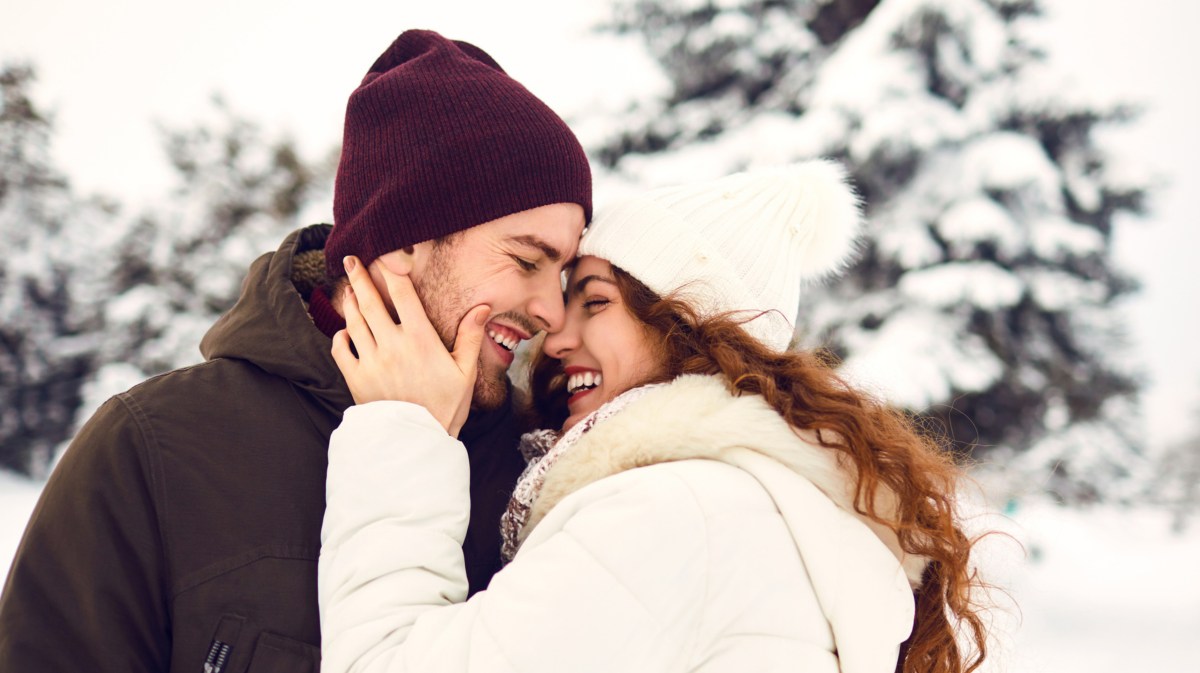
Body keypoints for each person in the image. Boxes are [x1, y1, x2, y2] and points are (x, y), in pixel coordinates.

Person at [0, 29, 591, 672]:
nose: (552, 313)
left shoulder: (543, 471)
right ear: (402, 243)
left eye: (563, 274)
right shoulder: (157, 449)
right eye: (527, 260)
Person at [317, 160, 990, 673]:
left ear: (691, 330)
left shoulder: (673, 513)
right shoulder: (760, 507)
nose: (554, 338)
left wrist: (402, 429)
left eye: (596, 301)